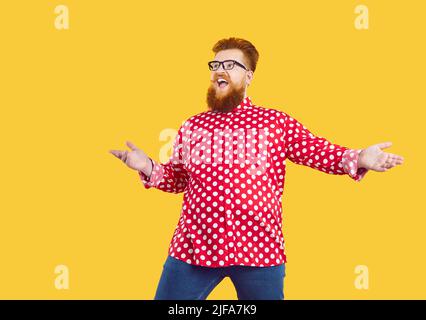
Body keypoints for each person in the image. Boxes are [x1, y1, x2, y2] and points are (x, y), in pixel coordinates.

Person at [109, 37, 404, 300]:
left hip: (260, 249)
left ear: (248, 76)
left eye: (230, 64)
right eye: (215, 64)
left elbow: (317, 151)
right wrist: (147, 166)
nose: (219, 70)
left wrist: (359, 156)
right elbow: (177, 179)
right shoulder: (192, 125)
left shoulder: (275, 122)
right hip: (193, 247)